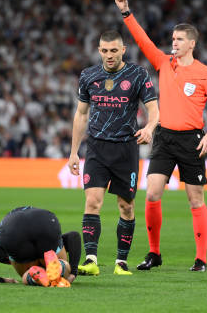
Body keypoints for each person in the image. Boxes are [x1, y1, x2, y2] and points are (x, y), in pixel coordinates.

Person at [115, 0, 207, 272]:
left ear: (191, 43)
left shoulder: (205, 73)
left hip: (192, 140)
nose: (173, 43)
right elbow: (142, 39)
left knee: (195, 198)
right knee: (152, 193)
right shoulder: (164, 63)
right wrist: (126, 13)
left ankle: (201, 259)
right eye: (172, 39)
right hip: (164, 137)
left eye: (178, 40)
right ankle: (154, 253)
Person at [68, 30, 159, 276]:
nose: (109, 55)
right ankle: (90, 259)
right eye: (105, 51)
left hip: (125, 148)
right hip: (96, 147)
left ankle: (121, 262)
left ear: (123, 50)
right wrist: (73, 152)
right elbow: (81, 114)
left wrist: (150, 127)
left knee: (126, 207)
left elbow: (153, 108)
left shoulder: (138, 74)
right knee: (92, 202)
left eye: (114, 50)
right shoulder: (88, 75)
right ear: (99, 51)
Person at [0, 206, 81, 287]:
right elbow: (74, 236)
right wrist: (72, 273)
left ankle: (32, 277)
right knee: (62, 265)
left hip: (11, 232)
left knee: (27, 274)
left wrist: (4, 280)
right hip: (45, 221)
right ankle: (60, 268)